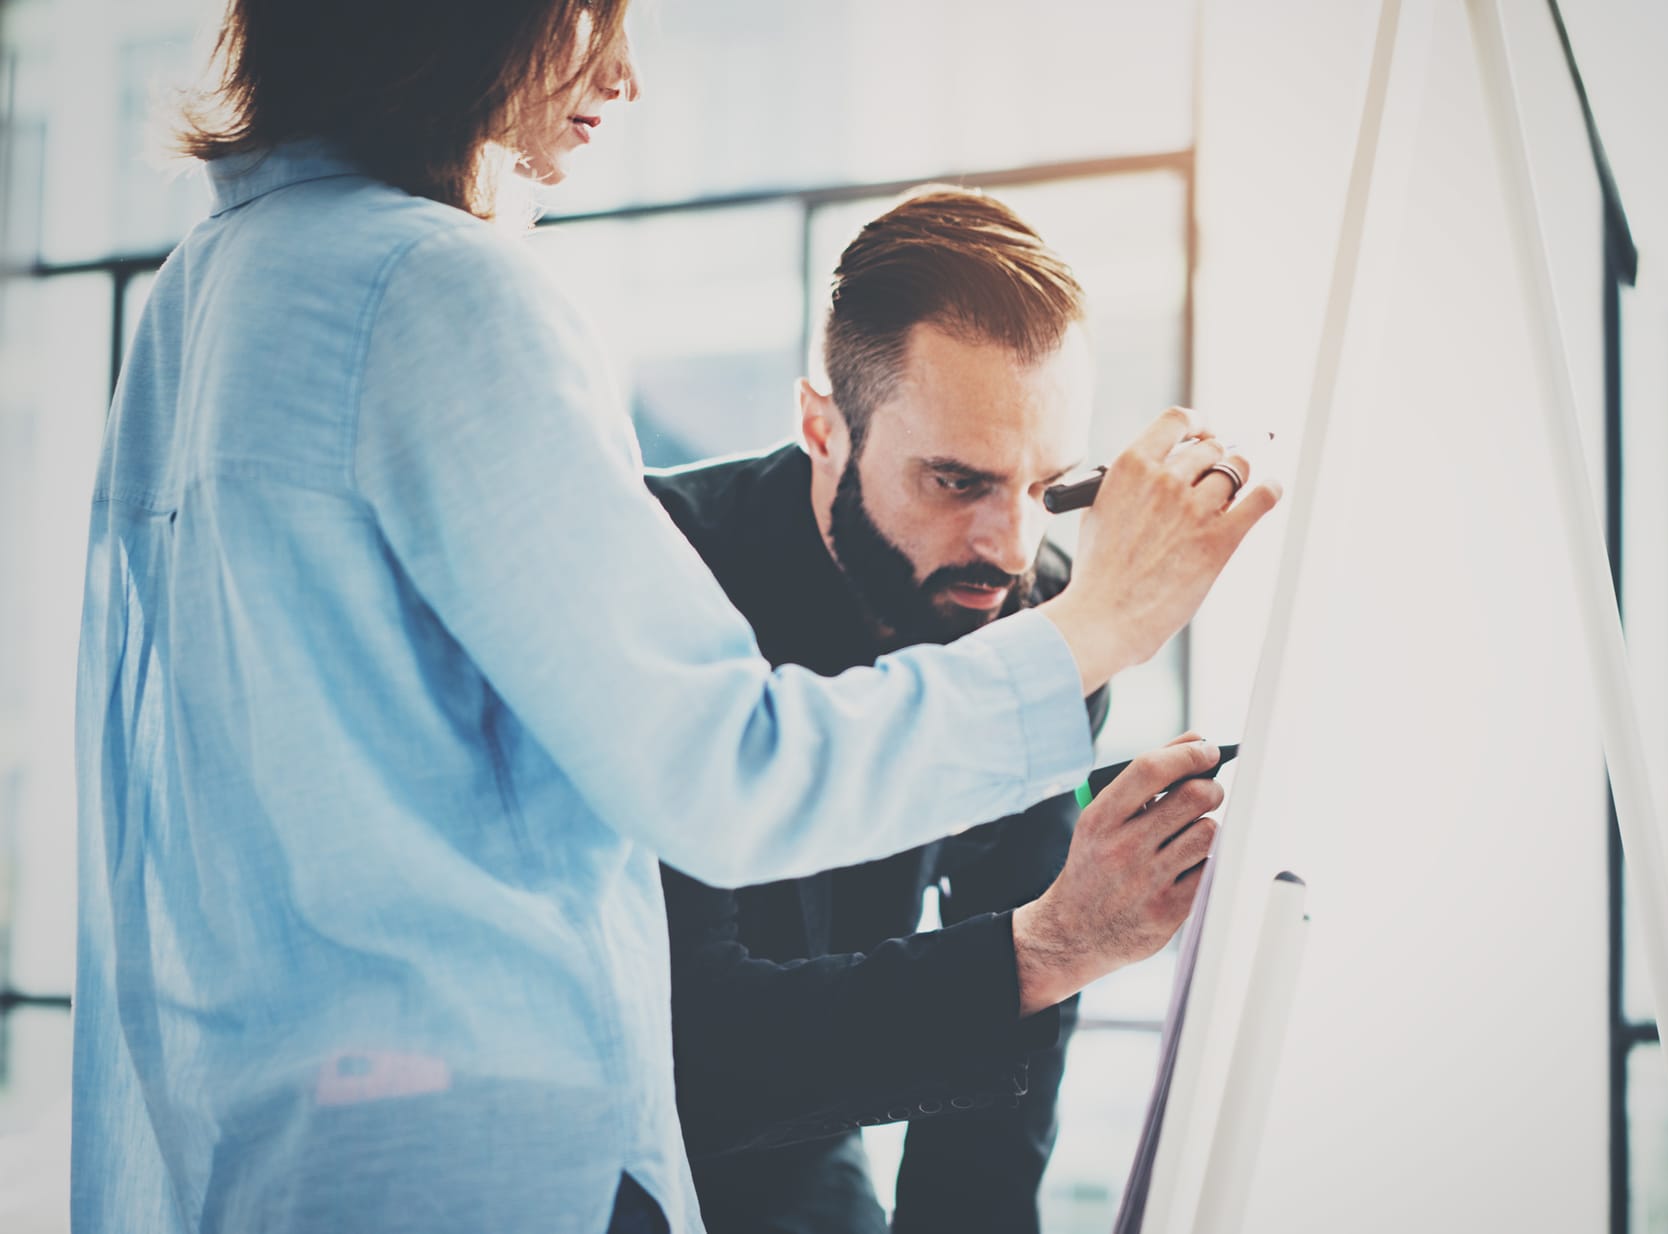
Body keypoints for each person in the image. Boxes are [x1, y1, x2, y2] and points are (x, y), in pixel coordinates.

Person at [70, 4, 1275, 1233]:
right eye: (596, 11)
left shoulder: (205, 295)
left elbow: (1000, 1098)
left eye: (1040, 485)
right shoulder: (437, 290)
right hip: (501, 1164)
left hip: (285, 1160)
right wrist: (1105, 628)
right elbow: (723, 773)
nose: (629, 74)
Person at [649, 191, 1224, 1234]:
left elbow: (1019, 1026)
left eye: (1047, 485)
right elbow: (698, 1049)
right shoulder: (664, 568)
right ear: (823, 428)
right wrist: (1047, 946)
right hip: (626, 1144)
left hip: (813, 1131)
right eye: (958, 481)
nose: (1006, 546)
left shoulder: (1044, 606)